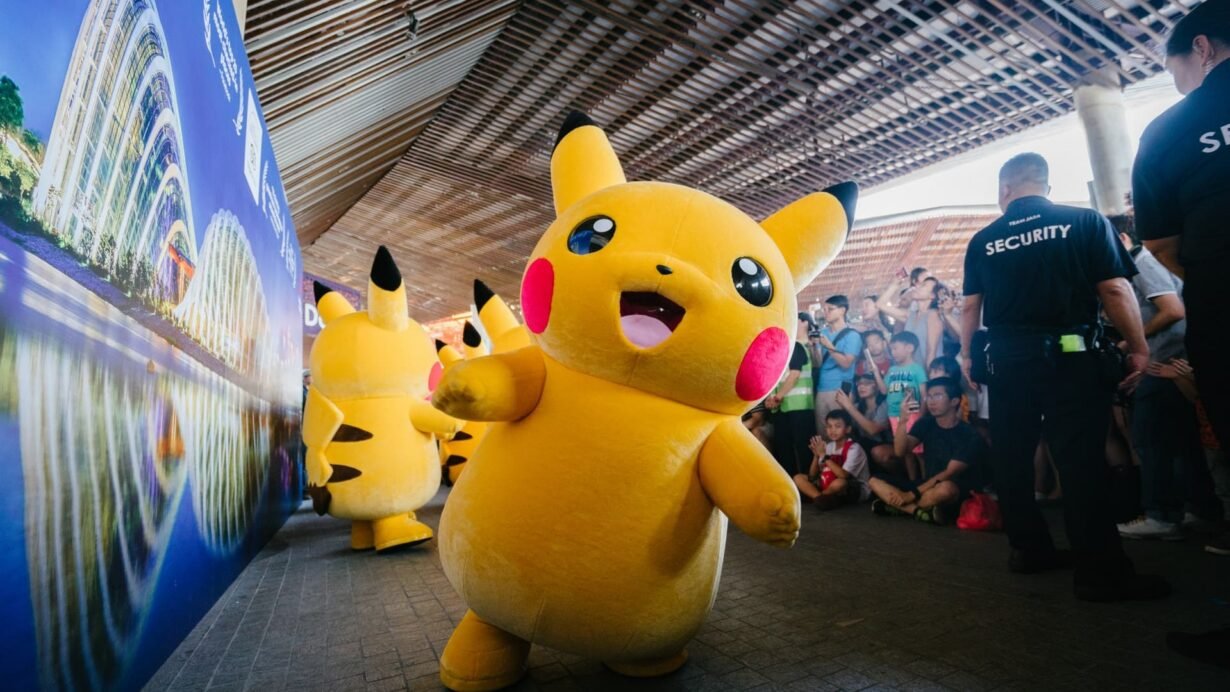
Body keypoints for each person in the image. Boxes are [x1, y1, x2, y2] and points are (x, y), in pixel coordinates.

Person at [960, 152, 1168, 602]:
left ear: (1005, 190)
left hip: (1007, 366)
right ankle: (1099, 573)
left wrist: (966, 357)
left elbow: (970, 307)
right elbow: (1114, 288)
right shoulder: (1084, 222)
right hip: (1070, 362)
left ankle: (1028, 550)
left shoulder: (983, 240)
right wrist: (1137, 347)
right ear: (1046, 187)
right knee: (1079, 462)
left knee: (1012, 459)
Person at [1131, 0, 1230, 665]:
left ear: (1201, 48)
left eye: (1175, 73)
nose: (1179, 87)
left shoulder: (1171, 130)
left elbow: (1163, 244)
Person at [868, 378, 983, 524]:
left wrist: (911, 495)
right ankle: (916, 511)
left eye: (938, 396)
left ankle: (899, 507)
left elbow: (949, 473)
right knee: (874, 480)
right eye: (929, 396)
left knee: (945, 489)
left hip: (954, 488)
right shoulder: (925, 423)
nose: (931, 401)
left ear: (954, 401)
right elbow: (900, 452)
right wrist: (902, 421)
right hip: (927, 484)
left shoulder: (968, 434)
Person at [767, 313, 817, 475]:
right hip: (782, 409)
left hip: (800, 408)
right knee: (784, 448)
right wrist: (771, 398)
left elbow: (794, 374)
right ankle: (790, 482)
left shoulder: (796, 347)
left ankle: (808, 482)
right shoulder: (782, 350)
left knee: (803, 449)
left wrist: (777, 397)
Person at [793, 411, 871, 510]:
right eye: (829, 426)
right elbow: (812, 476)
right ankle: (820, 498)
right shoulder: (829, 446)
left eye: (837, 426)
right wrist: (816, 455)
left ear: (848, 429)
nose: (833, 430)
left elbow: (843, 475)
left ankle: (817, 497)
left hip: (853, 487)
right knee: (798, 477)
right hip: (828, 484)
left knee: (840, 483)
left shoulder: (854, 448)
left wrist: (823, 455)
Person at [812, 295, 863, 434]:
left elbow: (846, 363)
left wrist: (828, 346)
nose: (826, 312)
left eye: (830, 309)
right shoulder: (822, 333)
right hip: (822, 388)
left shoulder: (852, 335)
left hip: (840, 389)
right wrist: (814, 347)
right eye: (824, 309)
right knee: (824, 432)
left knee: (842, 432)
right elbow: (817, 363)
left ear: (842, 310)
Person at [879, 331, 927, 466]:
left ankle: (925, 477)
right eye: (891, 349)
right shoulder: (892, 370)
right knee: (904, 450)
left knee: (919, 451)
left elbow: (924, 395)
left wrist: (921, 415)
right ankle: (912, 478)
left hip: (912, 414)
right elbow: (884, 390)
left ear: (909, 348)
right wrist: (876, 373)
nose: (892, 353)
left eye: (895, 348)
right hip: (894, 414)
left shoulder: (917, 369)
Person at [836, 373, 896, 473]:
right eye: (859, 384)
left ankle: (896, 477)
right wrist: (843, 407)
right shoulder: (857, 406)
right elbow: (846, 428)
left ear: (877, 386)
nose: (861, 386)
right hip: (865, 444)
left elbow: (872, 430)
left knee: (877, 452)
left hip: (885, 444)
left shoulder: (885, 404)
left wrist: (849, 406)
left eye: (867, 383)